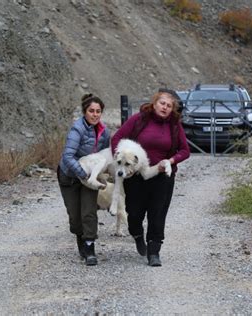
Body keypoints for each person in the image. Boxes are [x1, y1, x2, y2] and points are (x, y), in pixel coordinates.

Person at [111, 88, 190, 266]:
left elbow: (185, 151)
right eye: (162, 103)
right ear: (154, 103)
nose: (165, 107)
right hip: (137, 176)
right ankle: (138, 235)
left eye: (169, 106)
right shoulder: (138, 120)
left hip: (162, 176)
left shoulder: (174, 126)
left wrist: (170, 160)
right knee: (135, 213)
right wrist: (120, 160)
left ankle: (154, 251)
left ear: (172, 109)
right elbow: (117, 138)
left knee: (158, 214)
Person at [57, 93, 110, 266]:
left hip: (89, 177)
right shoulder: (77, 129)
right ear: (84, 112)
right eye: (91, 111)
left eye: (98, 111)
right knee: (75, 215)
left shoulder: (104, 132)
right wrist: (82, 173)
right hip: (70, 176)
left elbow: (104, 155)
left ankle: (90, 247)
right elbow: (67, 156)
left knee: (89, 211)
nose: (95, 114)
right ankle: (81, 238)